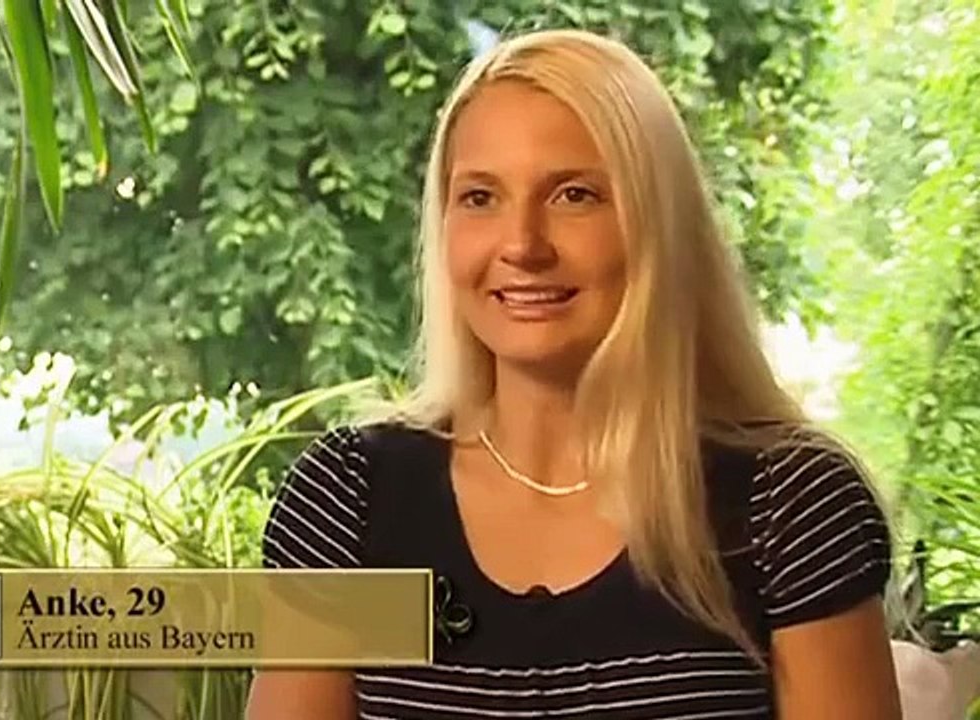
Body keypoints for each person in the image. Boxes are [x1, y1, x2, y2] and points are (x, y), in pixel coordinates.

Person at [245, 28, 902, 719]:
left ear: (658, 222)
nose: (522, 245)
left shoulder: (790, 503)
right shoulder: (349, 499)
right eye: (480, 197)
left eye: (574, 195)